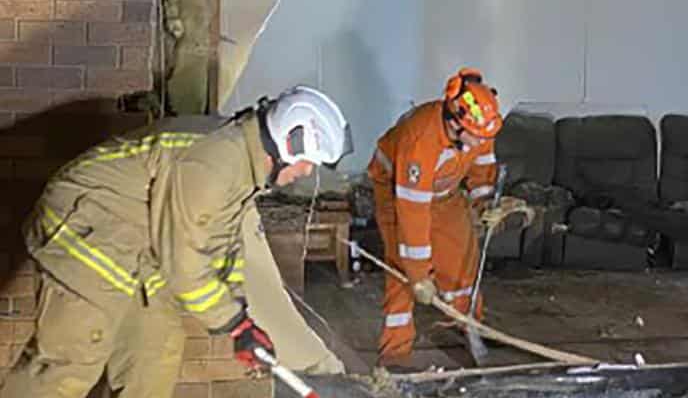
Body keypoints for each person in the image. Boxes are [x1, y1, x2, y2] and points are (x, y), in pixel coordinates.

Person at [0, 86, 352, 398]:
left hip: (141, 242)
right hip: (91, 230)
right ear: (287, 144)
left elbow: (223, 245)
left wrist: (242, 319)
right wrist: (231, 323)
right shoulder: (215, 163)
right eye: (308, 163)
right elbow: (185, 264)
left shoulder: (244, 165)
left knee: (154, 354)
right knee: (72, 362)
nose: (306, 173)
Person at [368, 68, 509, 369]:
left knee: (462, 256)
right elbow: (413, 214)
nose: (479, 142)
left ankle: (466, 325)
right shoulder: (421, 140)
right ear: (455, 123)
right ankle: (395, 350)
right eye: (475, 137)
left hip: (444, 190)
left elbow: (482, 164)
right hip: (398, 191)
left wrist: (484, 203)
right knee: (401, 268)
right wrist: (419, 276)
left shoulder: (479, 126)